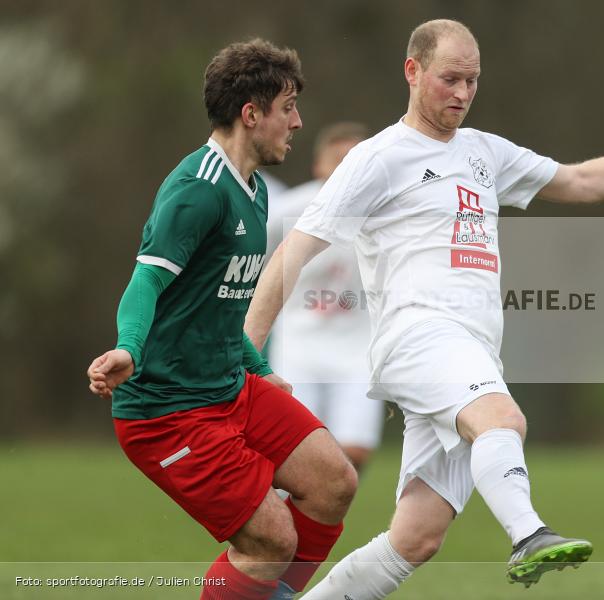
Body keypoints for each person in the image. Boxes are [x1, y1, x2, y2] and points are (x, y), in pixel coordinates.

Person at [245, 19, 604, 596]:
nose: (462, 92)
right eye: (449, 79)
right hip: (418, 336)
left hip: (469, 350)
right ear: (412, 71)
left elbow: (580, 182)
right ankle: (529, 534)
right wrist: (248, 353)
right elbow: (294, 252)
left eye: (472, 80)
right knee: (502, 419)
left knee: (416, 538)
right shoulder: (378, 158)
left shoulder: (484, 151)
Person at [86, 39, 357, 600]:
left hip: (229, 386)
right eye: (288, 108)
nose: (297, 122)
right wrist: (128, 347)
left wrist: (258, 367)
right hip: (168, 412)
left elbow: (218, 308)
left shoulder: (253, 190)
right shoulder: (198, 190)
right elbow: (146, 281)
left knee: (333, 482)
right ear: (251, 114)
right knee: (270, 541)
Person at [266, 122, 382, 472]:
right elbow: (249, 260)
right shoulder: (287, 210)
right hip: (299, 348)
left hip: (357, 350)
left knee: (355, 451)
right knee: (296, 451)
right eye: (338, 159)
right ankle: (300, 503)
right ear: (318, 166)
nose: (346, 167)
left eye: (355, 159)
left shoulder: (387, 215)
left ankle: (325, 498)